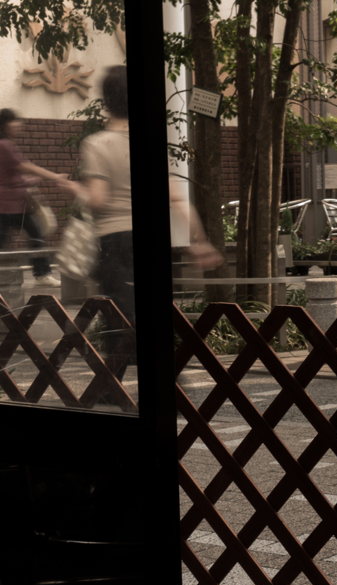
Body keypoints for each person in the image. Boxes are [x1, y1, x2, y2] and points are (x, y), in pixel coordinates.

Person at [71, 66, 221, 384]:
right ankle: (147, 386)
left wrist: (75, 189)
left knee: (119, 316)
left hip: (114, 241)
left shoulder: (97, 144)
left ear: (105, 102)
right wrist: (199, 240)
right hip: (151, 239)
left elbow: (98, 200)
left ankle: (130, 388)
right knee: (146, 313)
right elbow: (178, 199)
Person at [0, 108, 78, 287]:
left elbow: (10, 174)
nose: (18, 125)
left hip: (9, 204)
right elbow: (27, 167)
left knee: (12, 238)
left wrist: (25, 181)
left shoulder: (5, 145)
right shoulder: (5, 145)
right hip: (12, 205)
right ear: (5, 125)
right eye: (14, 121)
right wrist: (55, 176)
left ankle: (41, 274)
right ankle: (42, 274)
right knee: (35, 235)